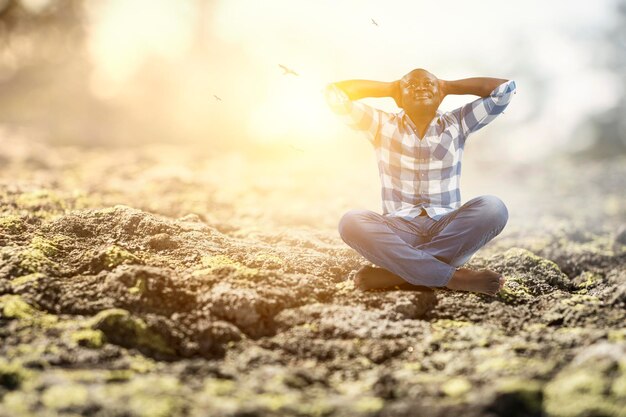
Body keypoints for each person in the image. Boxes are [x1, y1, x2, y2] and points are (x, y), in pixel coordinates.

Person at [325, 68, 516, 296]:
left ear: (440, 93)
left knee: (493, 207)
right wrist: (390, 89)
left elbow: (504, 91)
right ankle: (452, 277)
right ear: (400, 96)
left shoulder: (457, 122)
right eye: (411, 86)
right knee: (350, 221)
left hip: (449, 231)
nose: (421, 88)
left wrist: (448, 86)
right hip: (399, 232)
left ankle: (396, 274)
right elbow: (334, 94)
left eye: (429, 85)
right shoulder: (380, 125)